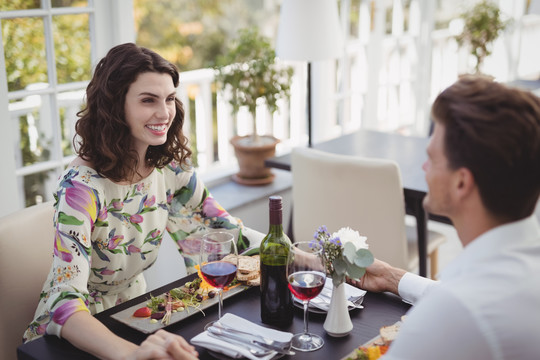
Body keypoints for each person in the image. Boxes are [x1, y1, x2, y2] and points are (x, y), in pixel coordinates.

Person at [23, 43, 264, 359]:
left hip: (136, 314)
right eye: (148, 100)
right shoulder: (80, 189)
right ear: (114, 105)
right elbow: (62, 302)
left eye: (169, 99)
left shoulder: (169, 169)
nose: (164, 113)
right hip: (76, 334)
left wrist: (296, 253)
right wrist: (131, 354)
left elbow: (224, 230)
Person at [348, 75, 540, 359]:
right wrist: (393, 278)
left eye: (433, 158)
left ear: (461, 183)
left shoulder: (452, 315)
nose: (425, 166)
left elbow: (460, 309)